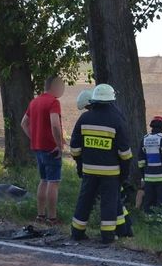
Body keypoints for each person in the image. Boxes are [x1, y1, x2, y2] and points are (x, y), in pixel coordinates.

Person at [69, 84, 133, 244]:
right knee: (109, 203)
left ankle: (77, 232)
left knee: (85, 200)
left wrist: (80, 165)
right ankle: (107, 236)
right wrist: (124, 174)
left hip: (89, 170)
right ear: (111, 99)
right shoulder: (117, 120)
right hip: (111, 173)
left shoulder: (84, 118)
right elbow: (125, 153)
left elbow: (75, 148)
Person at [20, 75, 65, 225]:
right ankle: (52, 218)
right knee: (53, 182)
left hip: (38, 148)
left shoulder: (34, 101)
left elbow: (23, 123)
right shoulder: (54, 102)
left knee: (44, 180)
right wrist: (59, 145)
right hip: (51, 149)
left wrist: (34, 138)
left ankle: (40, 216)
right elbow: (55, 125)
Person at [138, 116, 162, 212]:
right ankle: (161, 223)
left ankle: (148, 221)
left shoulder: (144, 139)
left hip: (148, 178)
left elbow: (140, 162)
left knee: (149, 202)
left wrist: (144, 176)